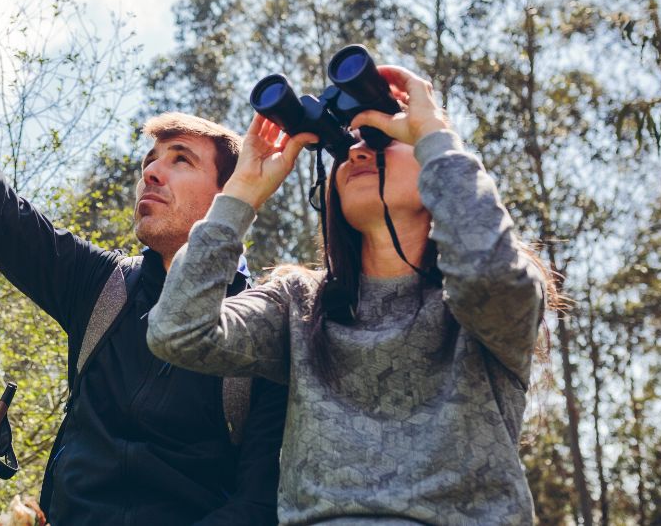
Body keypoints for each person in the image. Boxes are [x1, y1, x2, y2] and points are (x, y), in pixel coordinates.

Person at [0, 0, 287, 525]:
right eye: (149, 161)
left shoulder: (270, 327)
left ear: (232, 190)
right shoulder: (101, 286)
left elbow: (257, 505)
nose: (152, 174)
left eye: (181, 162)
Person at [146, 63, 552, 524]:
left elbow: (488, 274)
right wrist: (241, 194)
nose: (358, 153)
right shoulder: (300, 303)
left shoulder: (480, 303)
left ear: (434, 169)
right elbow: (177, 331)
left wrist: (435, 133)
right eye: (346, 146)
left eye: (380, 141)